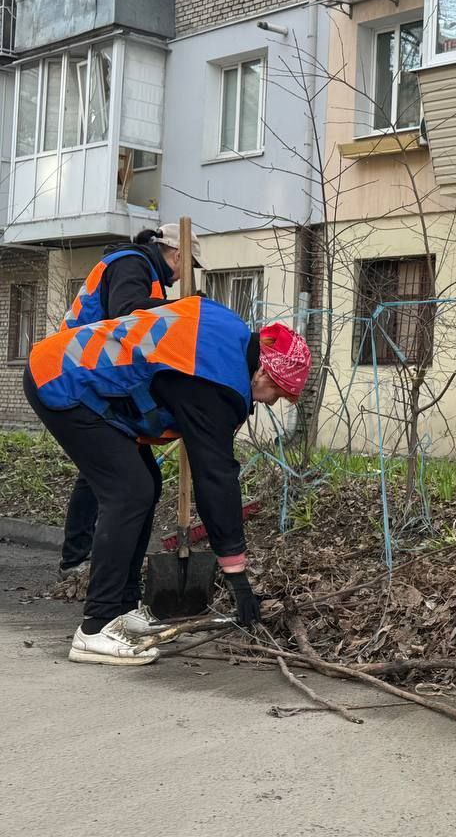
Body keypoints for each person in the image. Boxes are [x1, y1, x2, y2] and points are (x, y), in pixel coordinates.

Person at [24, 296, 312, 665]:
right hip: (61, 380)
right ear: (263, 373)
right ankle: (95, 628)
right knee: (129, 492)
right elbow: (216, 478)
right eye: (279, 393)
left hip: (71, 367)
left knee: (146, 482)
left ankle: (122, 609)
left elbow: (149, 304)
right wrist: (235, 573)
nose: (273, 403)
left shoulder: (224, 326)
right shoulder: (218, 384)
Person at [57, 224, 203, 582]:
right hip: (78, 377)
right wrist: (182, 310)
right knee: (115, 479)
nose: (186, 273)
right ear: (177, 253)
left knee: (127, 477)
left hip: (94, 379)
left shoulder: (144, 272)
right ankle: (81, 563)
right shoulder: (131, 264)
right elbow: (127, 313)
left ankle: (96, 563)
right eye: (190, 264)